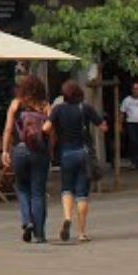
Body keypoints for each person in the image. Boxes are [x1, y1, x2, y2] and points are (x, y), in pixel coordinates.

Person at [50, 80, 105, 243]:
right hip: (83, 153)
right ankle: (81, 233)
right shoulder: (85, 107)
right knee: (82, 194)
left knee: (67, 189)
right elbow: (102, 126)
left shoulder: (58, 109)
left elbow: (46, 127)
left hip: (66, 154)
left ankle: (67, 217)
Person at [0, 75, 53, 244]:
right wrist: (50, 151)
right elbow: (53, 132)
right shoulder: (46, 106)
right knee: (38, 192)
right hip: (40, 152)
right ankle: (40, 234)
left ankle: (27, 221)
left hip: (20, 150)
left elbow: (8, 129)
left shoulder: (16, 104)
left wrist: (5, 151)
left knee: (22, 188)